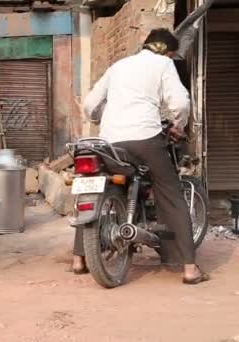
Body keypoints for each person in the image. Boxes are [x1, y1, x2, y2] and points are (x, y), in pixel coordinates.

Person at [76, 28, 209, 285]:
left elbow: (91, 104)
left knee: (94, 187)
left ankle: (79, 259)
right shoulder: (164, 64)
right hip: (145, 139)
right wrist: (178, 126)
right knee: (170, 193)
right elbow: (180, 103)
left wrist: (100, 120)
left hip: (109, 142)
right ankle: (190, 269)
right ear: (169, 51)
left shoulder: (118, 66)